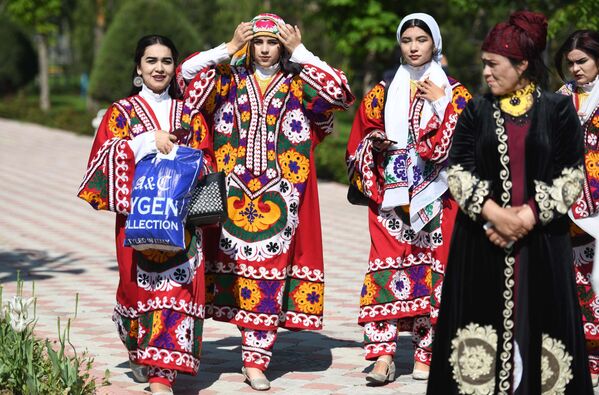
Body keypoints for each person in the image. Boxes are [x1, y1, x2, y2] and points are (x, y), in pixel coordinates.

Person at [177, 13, 354, 390]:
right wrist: (226, 48)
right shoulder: (228, 80)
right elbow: (184, 82)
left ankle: (256, 362)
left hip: (282, 198)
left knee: (269, 276)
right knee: (233, 271)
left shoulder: (298, 83)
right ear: (248, 44)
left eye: (273, 42)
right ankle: (217, 350)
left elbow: (340, 93)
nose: (265, 49)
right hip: (229, 195)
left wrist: (301, 52)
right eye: (257, 41)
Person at [427, 11, 592, 394]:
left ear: (521, 65)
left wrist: (527, 217)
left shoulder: (558, 111)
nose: (485, 72)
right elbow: (458, 171)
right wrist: (495, 215)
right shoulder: (477, 110)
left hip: (542, 246)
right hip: (481, 243)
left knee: (541, 331)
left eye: (493, 64)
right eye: (484, 64)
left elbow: (571, 176)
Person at [78, 35, 209, 395]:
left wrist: (185, 159)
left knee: (176, 293)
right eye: (151, 61)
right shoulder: (121, 112)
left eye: (166, 61)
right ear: (138, 67)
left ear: (174, 67)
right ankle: (135, 338)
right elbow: (102, 158)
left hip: (181, 223)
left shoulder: (190, 114)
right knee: (135, 292)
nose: (159, 68)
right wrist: (148, 142)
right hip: (138, 219)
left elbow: (207, 158)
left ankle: (161, 376)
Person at [346, 13, 471, 385]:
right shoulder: (385, 88)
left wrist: (444, 101)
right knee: (386, 269)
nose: (414, 47)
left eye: (422, 39)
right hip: (391, 198)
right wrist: (375, 144)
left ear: (435, 44)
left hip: (438, 197)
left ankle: (426, 354)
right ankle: (383, 357)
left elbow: (471, 139)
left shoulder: (455, 89)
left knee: (434, 271)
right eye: (407, 40)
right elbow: (360, 135)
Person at [556, 29, 599, 388]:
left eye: (582, 61)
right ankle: (586, 350)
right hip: (569, 203)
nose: (576, 69)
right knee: (576, 276)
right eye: (570, 63)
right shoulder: (560, 98)